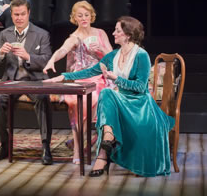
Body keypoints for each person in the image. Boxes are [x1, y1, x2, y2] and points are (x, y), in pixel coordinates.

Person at [44, 16, 175, 177]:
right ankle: (107, 137)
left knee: (108, 92)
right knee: (106, 92)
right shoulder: (114, 55)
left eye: (117, 31)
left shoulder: (141, 55)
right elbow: (90, 71)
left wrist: (116, 79)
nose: (113, 33)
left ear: (127, 35)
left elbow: (141, 88)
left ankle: (103, 153)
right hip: (121, 99)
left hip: (139, 103)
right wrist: (64, 76)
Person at [43, 0, 113, 164]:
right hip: (81, 77)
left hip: (98, 76)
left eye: (86, 15)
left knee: (95, 97)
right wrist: (52, 60)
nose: (83, 18)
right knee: (76, 100)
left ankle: (86, 142)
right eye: (79, 15)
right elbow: (63, 49)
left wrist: (100, 49)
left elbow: (112, 57)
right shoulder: (75, 37)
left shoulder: (100, 33)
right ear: (74, 17)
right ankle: (78, 147)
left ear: (91, 16)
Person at [0, 0, 53, 165]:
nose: (19, 18)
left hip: (35, 80)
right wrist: (1, 52)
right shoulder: (5, 34)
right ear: (11, 14)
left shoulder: (41, 34)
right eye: (16, 14)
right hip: (12, 81)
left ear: (28, 13)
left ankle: (46, 147)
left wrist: (28, 56)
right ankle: (5, 145)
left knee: (43, 98)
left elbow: (46, 60)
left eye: (22, 14)